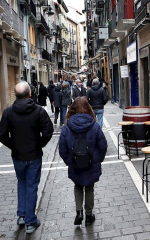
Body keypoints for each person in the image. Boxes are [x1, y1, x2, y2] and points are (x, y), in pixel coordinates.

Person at [0, 81, 54, 234]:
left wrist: (13, 145)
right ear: (30, 94)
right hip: (34, 155)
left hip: (18, 156)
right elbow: (48, 131)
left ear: (16, 95)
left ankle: (22, 215)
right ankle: (30, 221)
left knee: (22, 183)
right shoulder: (38, 111)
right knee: (31, 186)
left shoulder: (8, 112)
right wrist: (39, 144)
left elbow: (1, 135)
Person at [59, 97, 107, 227]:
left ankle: (79, 212)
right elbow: (103, 145)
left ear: (72, 109)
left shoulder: (67, 127)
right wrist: (98, 160)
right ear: (88, 109)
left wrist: (69, 161)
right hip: (91, 163)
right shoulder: (94, 125)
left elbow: (62, 149)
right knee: (89, 187)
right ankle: (89, 215)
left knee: (78, 186)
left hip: (75, 163)